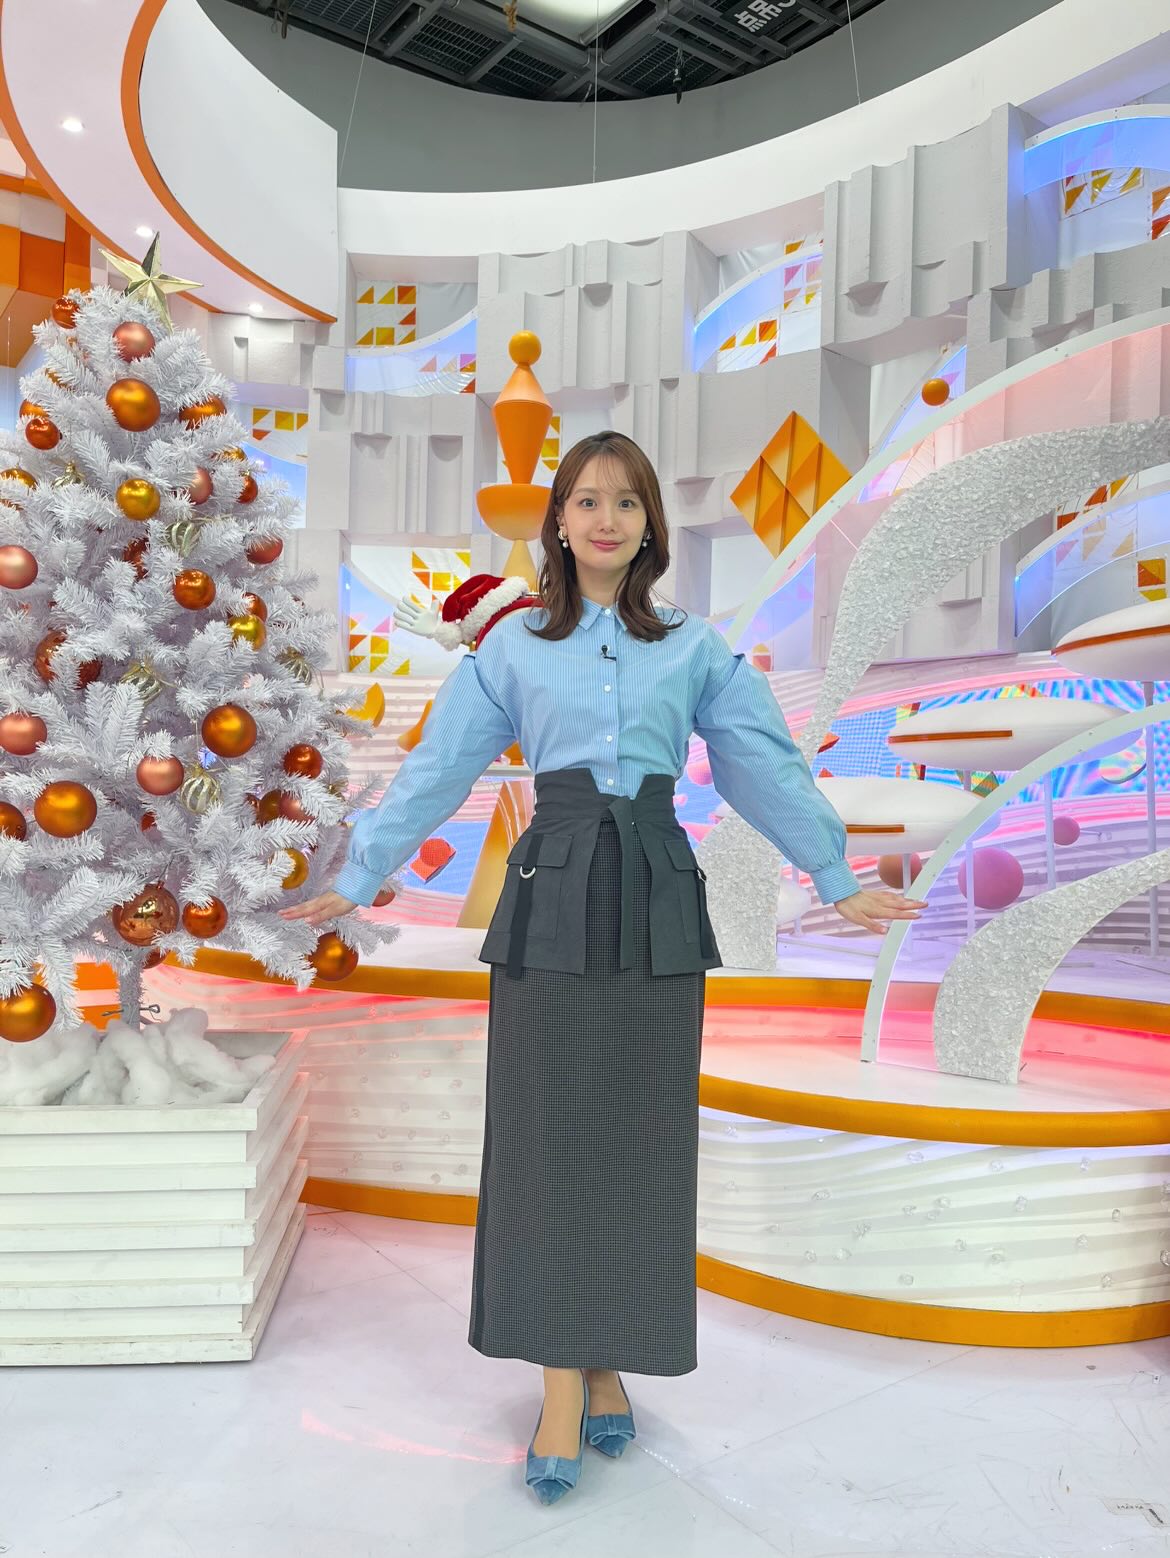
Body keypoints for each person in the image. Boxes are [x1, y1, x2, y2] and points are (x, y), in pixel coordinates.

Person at [282, 430, 922, 1506]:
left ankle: (609, 1356)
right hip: (554, 895)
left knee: (639, 1140)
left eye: (626, 501)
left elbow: (762, 760)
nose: (606, 519)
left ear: (650, 525)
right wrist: (362, 872)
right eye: (586, 499)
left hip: (657, 897)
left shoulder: (695, 647)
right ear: (560, 521)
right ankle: (558, 1382)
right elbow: (439, 767)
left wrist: (831, 870)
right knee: (545, 1138)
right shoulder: (512, 650)